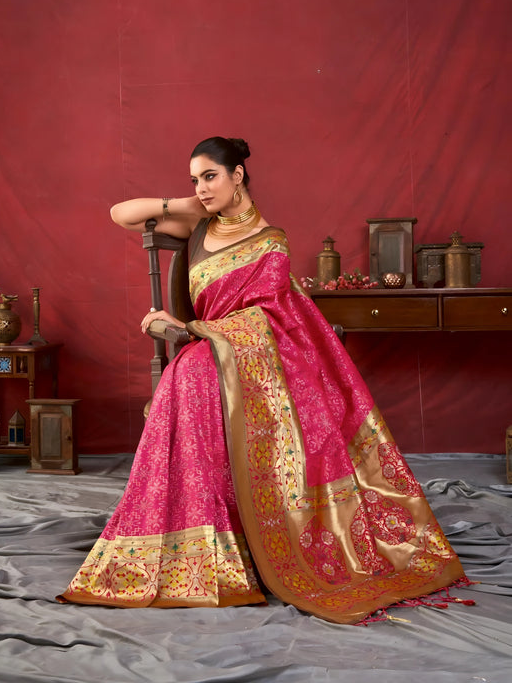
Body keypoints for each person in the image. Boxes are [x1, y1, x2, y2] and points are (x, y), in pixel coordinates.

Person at [57, 136, 469, 624]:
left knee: (190, 373)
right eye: (195, 179)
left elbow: (271, 317)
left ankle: (249, 535)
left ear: (239, 175)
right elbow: (119, 213)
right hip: (214, 351)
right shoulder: (196, 222)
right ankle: (203, 539)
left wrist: (184, 328)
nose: (202, 187)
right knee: (188, 375)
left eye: (210, 176)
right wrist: (187, 203)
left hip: (263, 358)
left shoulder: (272, 240)